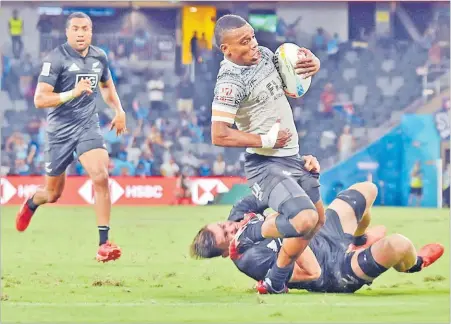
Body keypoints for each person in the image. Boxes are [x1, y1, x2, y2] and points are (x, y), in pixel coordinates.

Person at [210, 14, 322, 293]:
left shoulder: (265, 55)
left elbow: (291, 87)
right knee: (304, 219)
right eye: (244, 42)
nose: (253, 46)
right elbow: (219, 134)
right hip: (266, 164)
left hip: (292, 156)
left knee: (316, 222)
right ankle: (249, 232)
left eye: (253, 37)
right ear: (227, 50)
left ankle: (275, 281)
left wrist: (313, 66)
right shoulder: (229, 83)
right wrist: (266, 139)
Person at [190, 181, 444, 294]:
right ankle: (415, 264)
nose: (231, 227)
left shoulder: (239, 216)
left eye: (223, 225)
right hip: (333, 271)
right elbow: (311, 274)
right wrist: (290, 225)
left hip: (324, 234)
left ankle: (357, 240)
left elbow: (267, 193)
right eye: (226, 235)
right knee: (398, 244)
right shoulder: (251, 260)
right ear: (226, 252)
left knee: (366, 190)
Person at [15, 12, 127, 263]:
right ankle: (33, 202)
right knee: (53, 194)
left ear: (91, 31)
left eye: (85, 29)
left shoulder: (100, 57)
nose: (80, 33)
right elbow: (39, 99)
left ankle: (103, 245)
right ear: (67, 32)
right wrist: (71, 93)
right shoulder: (55, 59)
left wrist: (118, 111)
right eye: (75, 28)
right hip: (59, 133)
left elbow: (107, 87)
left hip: (88, 127)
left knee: (101, 176)